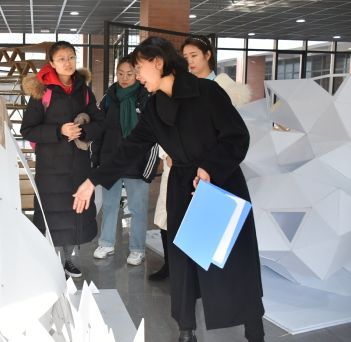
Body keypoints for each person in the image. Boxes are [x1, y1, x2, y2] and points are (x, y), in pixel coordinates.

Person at [73, 37, 265, 342]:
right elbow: (130, 148)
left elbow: (236, 137)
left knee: (231, 263)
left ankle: (255, 332)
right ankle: (186, 331)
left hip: (218, 185)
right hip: (182, 188)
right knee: (184, 264)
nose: (137, 75)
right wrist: (92, 180)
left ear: (158, 62)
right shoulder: (154, 106)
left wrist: (210, 168)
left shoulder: (207, 91)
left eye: (139, 67)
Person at [148, 35, 252, 282]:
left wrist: (209, 164)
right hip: (178, 166)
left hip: (210, 169)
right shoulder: (176, 89)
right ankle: (174, 266)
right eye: (185, 57)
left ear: (208, 55)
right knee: (169, 217)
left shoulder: (219, 89)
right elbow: (165, 129)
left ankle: (205, 279)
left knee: (207, 227)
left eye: (194, 55)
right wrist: (167, 153)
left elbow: (231, 134)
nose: (190, 61)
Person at [21, 41, 104, 278]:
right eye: (61, 59)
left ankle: (67, 260)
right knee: (53, 215)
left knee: (73, 214)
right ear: (52, 63)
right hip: (51, 168)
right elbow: (28, 130)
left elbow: (100, 123)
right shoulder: (42, 91)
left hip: (78, 166)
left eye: (71, 57)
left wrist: (83, 131)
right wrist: (59, 131)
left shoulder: (83, 89)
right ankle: (52, 261)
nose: (67, 63)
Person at [91, 55, 158, 266]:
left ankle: (137, 249)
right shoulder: (109, 98)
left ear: (137, 74)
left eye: (129, 73)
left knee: (138, 209)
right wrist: (96, 161)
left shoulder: (146, 97)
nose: (125, 78)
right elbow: (100, 132)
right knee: (109, 206)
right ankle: (106, 243)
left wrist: (149, 167)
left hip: (136, 163)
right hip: (110, 161)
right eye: (120, 74)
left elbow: (154, 135)